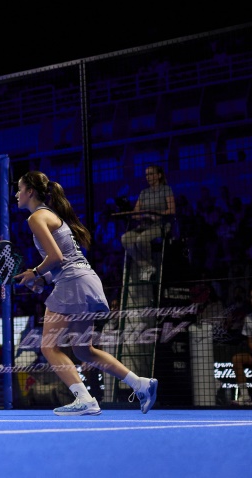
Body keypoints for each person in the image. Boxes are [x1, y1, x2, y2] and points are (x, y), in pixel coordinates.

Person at [12, 171, 158, 416]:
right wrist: (41, 278)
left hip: (73, 284)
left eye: (19, 188)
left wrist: (34, 272)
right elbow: (63, 261)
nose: (16, 194)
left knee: (49, 347)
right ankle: (140, 384)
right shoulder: (51, 215)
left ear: (30, 192)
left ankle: (85, 400)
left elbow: (57, 258)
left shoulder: (36, 218)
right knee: (83, 350)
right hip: (86, 281)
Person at [120, 164, 176, 281]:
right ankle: (146, 267)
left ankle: (149, 265)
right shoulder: (144, 193)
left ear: (159, 175)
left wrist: (156, 214)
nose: (148, 177)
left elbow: (172, 210)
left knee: (141, 239)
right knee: (125, 238)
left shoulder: (166, 189)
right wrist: (141, 216)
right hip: (145, 225)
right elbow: (136, 213)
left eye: (151, 174)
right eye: (146, 175)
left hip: (161, 225)